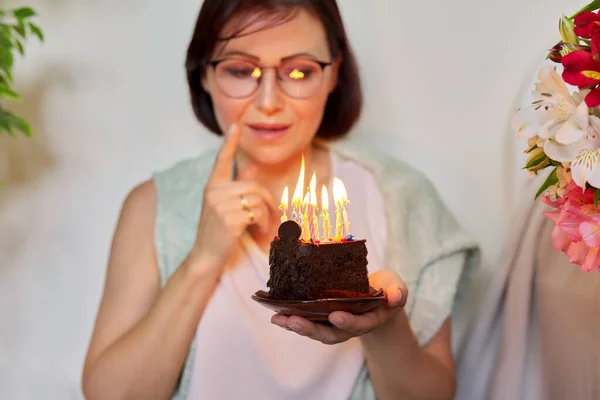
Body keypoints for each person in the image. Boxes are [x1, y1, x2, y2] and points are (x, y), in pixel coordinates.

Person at [81, 1, 479, 399]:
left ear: (333, 73)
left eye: (300, 71)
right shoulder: (154, 206)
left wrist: (385, 327)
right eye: (240, 70)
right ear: (203, 73)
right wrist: (203, 260)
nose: (269, 101)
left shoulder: (402, 198)